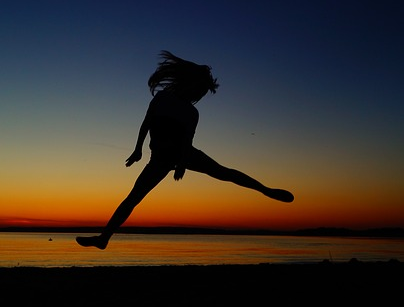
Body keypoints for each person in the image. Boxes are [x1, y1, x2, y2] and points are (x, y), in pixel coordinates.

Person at [76, 51, 294, 250]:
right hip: (159, 159)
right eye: (197, 90)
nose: (197, 95)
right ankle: (104, 238)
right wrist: (137, 149)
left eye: (199, 93)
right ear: (188, 84)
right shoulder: (162, 98)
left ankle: (266, 190)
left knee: (223, 172)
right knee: (133, 198)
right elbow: (146, 123)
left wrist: (181, 163)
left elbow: (186, 141)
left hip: (184, 154)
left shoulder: (192, 113)